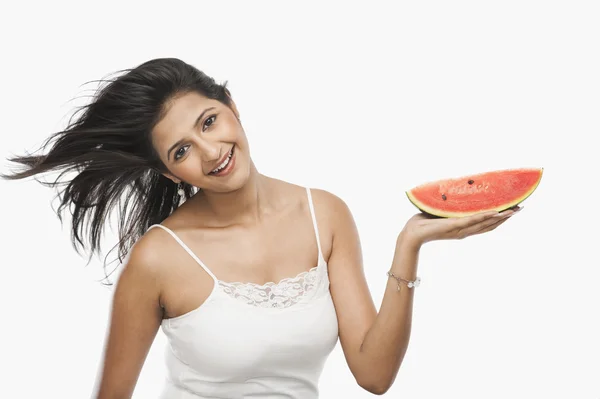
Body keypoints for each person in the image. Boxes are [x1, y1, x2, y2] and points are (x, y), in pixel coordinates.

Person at [1, 58, 520, 398]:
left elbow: (374, 374)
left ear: (232, 108)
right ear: (168, 172)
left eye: (209, 122)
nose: (211, 152)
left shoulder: (326, 215)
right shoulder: (159, 259)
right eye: (181, 150)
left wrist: (409, 244)